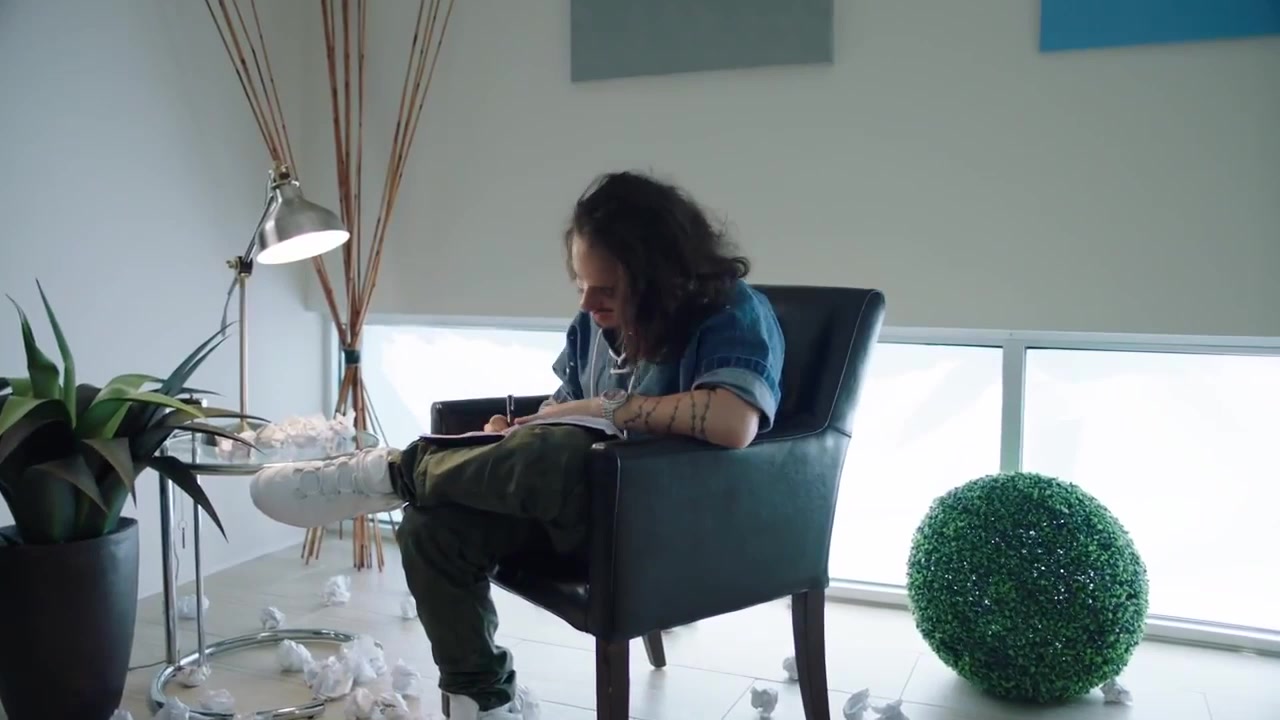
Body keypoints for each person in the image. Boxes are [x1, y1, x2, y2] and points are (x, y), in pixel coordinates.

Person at [249, 170, 785, 720]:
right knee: (432, 527)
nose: (588, 303)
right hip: (578, 513)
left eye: (607, 290)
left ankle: (393, 472)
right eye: (581, 284)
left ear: (660, 278)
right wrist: (517, 434)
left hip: (669, 527)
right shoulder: (593, 323)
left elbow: (733, 421)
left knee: (560, 453)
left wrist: (601, 409)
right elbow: (567, 409)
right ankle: (483, 704)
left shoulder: (732, 311)